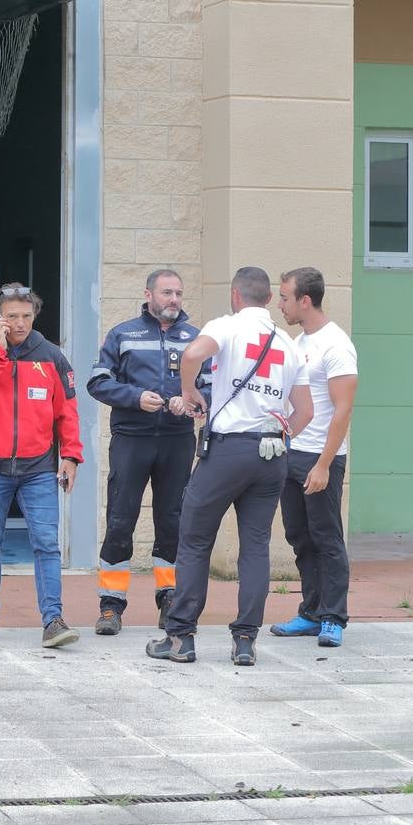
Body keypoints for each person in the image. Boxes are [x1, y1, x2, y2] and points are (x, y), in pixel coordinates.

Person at [148, 266, 313, 667]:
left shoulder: (227, 326)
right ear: (269, 299)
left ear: (236, 296)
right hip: (272, 453)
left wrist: (188, 393)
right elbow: (306, 410)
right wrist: (281, 431)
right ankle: (244, 641)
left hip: (227, 451)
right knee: (255, 546)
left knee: (194, 540)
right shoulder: (289, 344)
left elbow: (192, 354)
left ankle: (181, 637)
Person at [0, 283, 83, 649]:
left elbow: (67, 412)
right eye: (12, 316)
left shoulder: (52, 356)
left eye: (26, 316)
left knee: (46, 543)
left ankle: (53, 621)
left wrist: (71, 455)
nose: (21, 323)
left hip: (39, 467)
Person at [87, 269, 204, 634]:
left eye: (179, 294)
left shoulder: (196, 338)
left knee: (173, 520)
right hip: (132, 438)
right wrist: (136, 398)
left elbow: (211, 386)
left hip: (177, 439)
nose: (174, 300)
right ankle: (111, 605)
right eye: (167, 292)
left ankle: (169, 599)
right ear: (148, 294)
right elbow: (97, 381)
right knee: (121, 519)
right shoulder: (123, 334)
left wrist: (192, 403)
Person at [271, 267, 358, 648]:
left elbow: (343, 410)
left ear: (305, 300)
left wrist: (324, 463)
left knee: (326, 537)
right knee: (299, 536)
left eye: (285, 297)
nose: (280, 304)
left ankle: (333, 617)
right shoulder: (298, 342)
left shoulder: (336, 344)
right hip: (292, 454)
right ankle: (310, 612)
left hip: (321, 458)